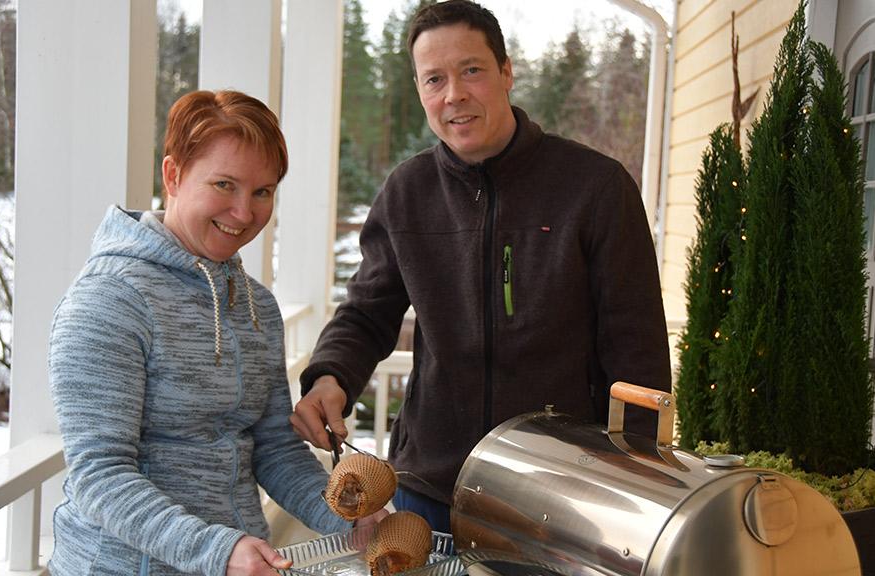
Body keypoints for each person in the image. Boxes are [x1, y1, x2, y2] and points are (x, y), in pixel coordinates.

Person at [290, 0, 671, 534]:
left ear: (506, 72)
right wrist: (331, 375)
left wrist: (636, 476)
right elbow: (367, 312)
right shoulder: (407, 192)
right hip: (431, 486)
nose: (454, 95)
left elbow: (638, 351)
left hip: (561, 495)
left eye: (471, 70)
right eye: (434, 79)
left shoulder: (596, 188)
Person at [48, 90, 383, 576]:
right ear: (173, 175)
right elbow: (100, 476)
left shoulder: (256, 306)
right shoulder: (109, 301)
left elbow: (274, 448)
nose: (244, 213)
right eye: (224, 184)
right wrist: (217, 550)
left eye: (262, 191)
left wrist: (348, 518)